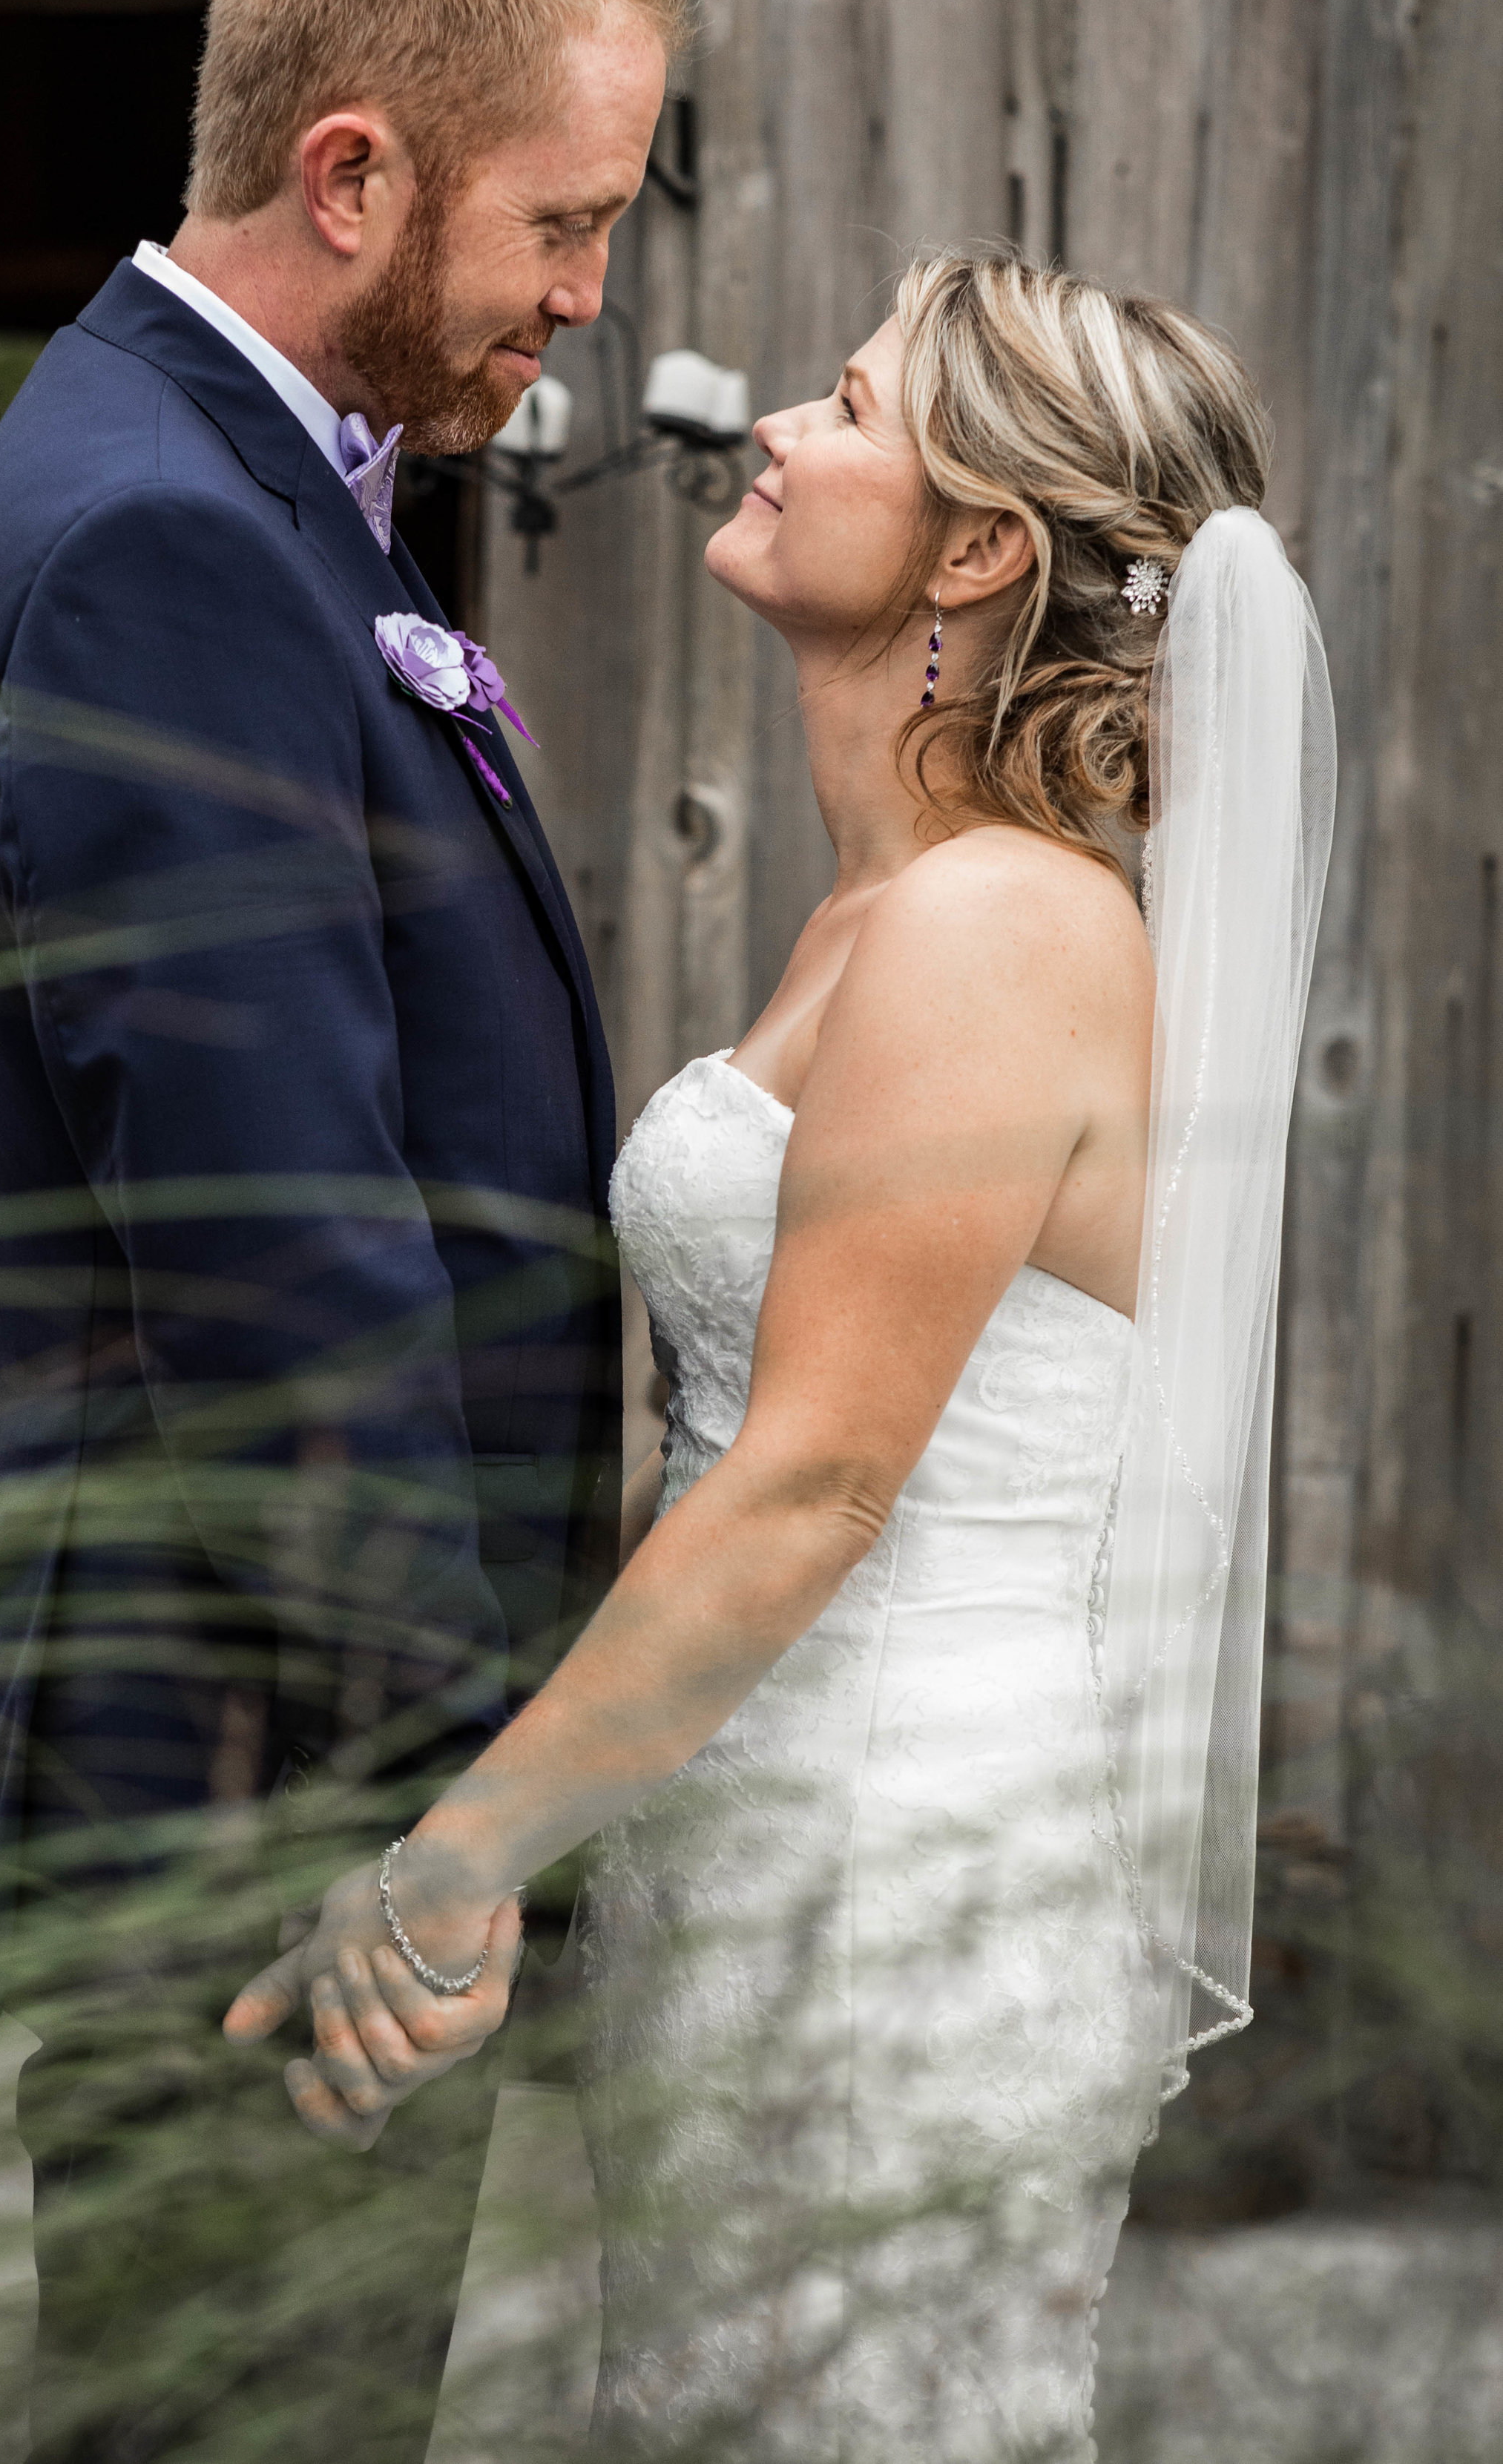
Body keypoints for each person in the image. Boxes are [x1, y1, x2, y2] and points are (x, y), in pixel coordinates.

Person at [231, 253, 1335, 2458]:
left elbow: (815, 1479)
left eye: (846, 404)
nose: (775, 430)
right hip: (750, 1840)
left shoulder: (998, 925)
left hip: (895, 1873)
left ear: (978, 547)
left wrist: (446, 1872)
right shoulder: (881, 911)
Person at [0, 0, 685, 2463]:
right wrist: (442, 1828)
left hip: (262, 1780)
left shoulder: (209, 483)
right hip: (265, 1803)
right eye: (562, 221)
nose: (587, 297)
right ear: (351, 171)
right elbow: (277, 1270)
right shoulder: (161, 542)